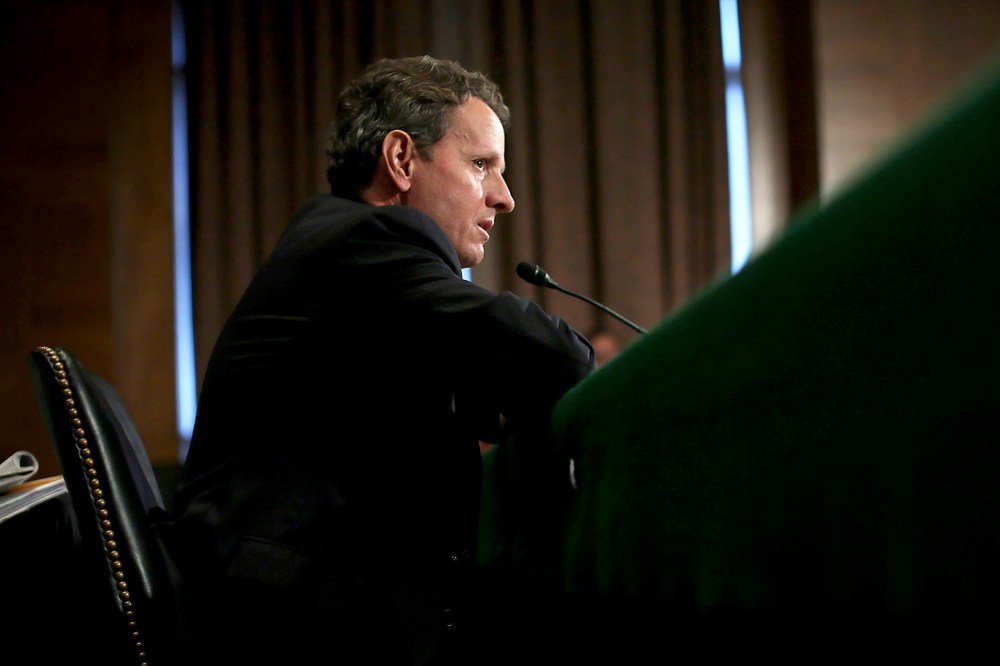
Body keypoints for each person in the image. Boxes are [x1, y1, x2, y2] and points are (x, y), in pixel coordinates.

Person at [162, 55, 596, 665]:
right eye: (481, 165)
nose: (505, 197)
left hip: (286, 597)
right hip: (293, 617)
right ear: (400, 160)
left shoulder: (349, 260)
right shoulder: (364, 240)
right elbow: (557, 358)